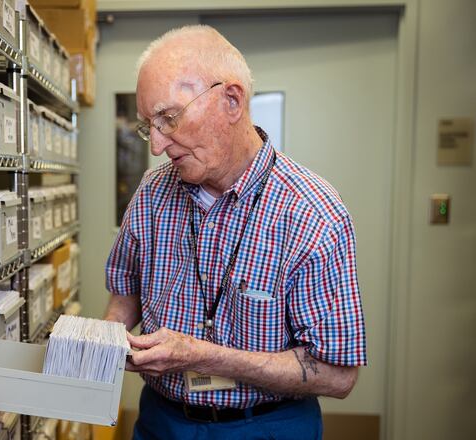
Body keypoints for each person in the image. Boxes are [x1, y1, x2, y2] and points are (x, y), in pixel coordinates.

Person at [104, 25, 367, 439]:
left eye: (169, 118)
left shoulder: (313, 212)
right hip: (162, 421)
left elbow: (337, 375)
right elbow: (126, 289)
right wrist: (112, 336)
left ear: (231, 100)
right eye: (148, 125)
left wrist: (204, 357)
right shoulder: (153, 194)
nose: (156, 145)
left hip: (266, 425)